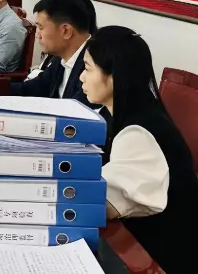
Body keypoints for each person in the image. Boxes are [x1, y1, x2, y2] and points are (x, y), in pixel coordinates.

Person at [80, 26, 198, 274]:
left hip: (158, 259)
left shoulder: (139, 133)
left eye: (88, 69)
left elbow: (96, 203)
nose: (81, 77)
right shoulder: (128, 111)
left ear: (114, 76)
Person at [7, 0, 98, 105]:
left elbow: (74, 110)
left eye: (41, 27)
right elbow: (32, 88)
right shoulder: (61, 57)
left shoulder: (95, 66)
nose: (37, 34)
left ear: (66, 31)